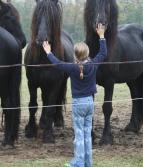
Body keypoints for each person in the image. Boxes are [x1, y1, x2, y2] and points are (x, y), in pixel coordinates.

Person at [42, 23, 106, 167]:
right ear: (88, 54)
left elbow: (57, 64)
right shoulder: (93, 64)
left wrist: (48, 52)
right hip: (90, 103)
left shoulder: (72, 67)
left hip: (78, 105)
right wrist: (101, 35)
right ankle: (88, 162)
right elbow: (103, 53)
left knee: (79, 136)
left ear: (74, 55)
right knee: (87, 134)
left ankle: (78, 163)